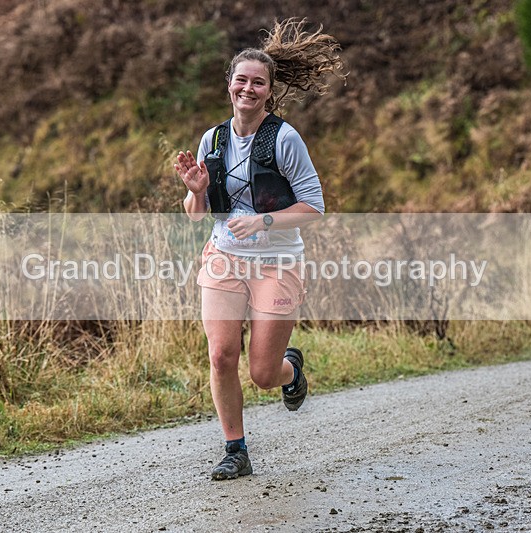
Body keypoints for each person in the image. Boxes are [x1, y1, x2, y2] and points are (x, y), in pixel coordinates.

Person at [173, 19, 345, 481]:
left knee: (263, 374)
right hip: (224, 255)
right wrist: (195, 191)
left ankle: (292, 367)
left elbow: (315, 207)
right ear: (229, 85)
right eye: (242, 80)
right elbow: (196, 216)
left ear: (269, 91)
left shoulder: (284, 139)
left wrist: (265, 220)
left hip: (278, 260)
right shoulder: (212, 139)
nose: (248, 88)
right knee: (220, 355)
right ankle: (236, 449)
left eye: (258, 82)